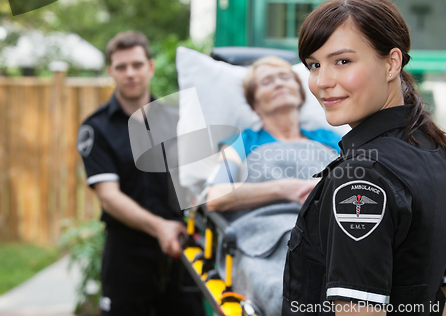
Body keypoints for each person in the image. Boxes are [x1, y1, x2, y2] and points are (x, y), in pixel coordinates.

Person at [282, 0, 446, 316]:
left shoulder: (361, 180)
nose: (322, 81)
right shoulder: (434, 153)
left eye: (343, 61)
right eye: (314, 65)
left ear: (392, 63)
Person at [76, 31, 205, 316]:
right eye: (121, 67)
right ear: (111, 72)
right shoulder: (96, 129)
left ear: (150, 67)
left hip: (181, 253)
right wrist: (159, 227)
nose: (130, 73)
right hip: (127, 257)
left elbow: (202, 181)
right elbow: (109, 197)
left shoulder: (180, 120)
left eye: (136, 65)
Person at [205, 56, 342, 316]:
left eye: (285, 77)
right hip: (268, 242)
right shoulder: (240, 143)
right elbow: (215, 196)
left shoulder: (334, 141)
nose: (279, 84)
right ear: (255, 103)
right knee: (294, 296)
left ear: (300, 93)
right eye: (267, 81)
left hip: (331, 237)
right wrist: (285, 189)